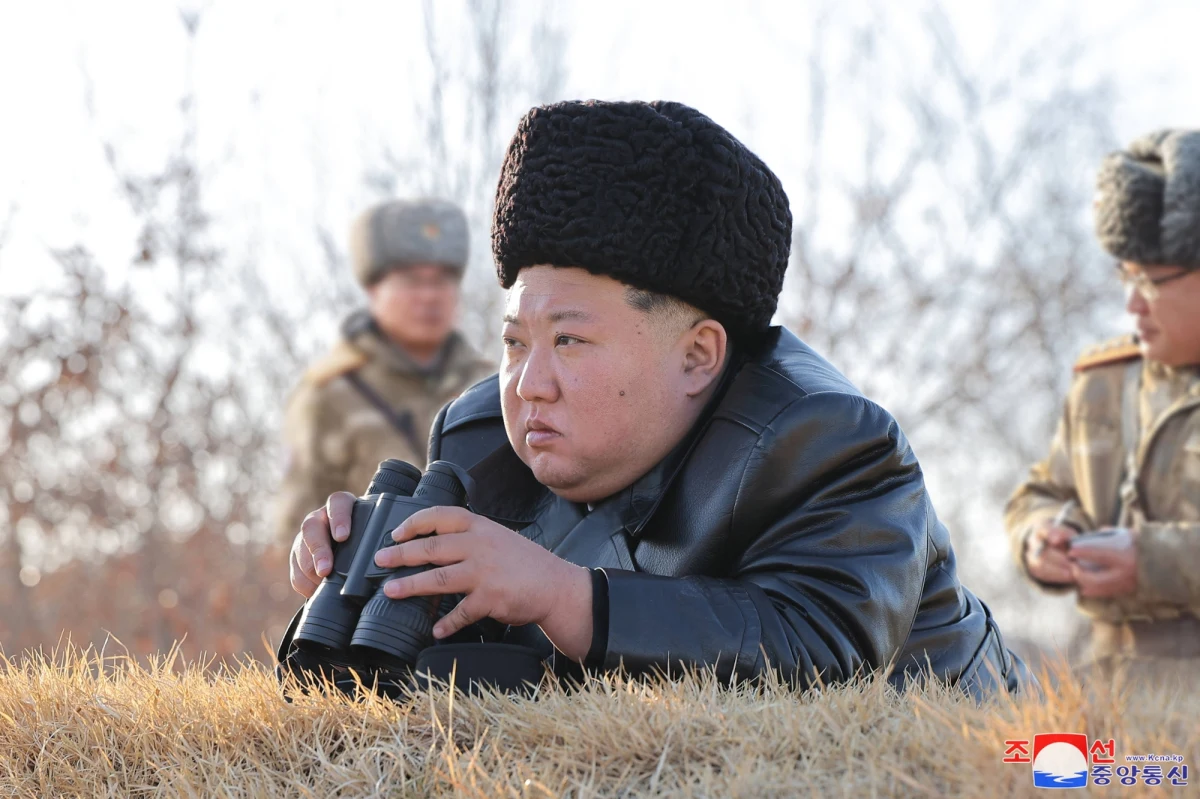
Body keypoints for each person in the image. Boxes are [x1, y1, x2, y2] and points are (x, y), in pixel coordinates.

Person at [286, 100, 1027, 696]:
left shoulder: (821, 437)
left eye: (569, 340)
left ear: (698, 355)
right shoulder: (478, 442)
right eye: (515, 341)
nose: (528, 382)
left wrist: (564, 596)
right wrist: (366, 581)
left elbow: (823, 651)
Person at [1007, 129, 1200, 667]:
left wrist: (1153, 561)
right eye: (1126, 276)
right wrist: (1043, 535)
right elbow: (1042, 492)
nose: (1133, 304)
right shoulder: (1103, 382)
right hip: (1110, 687)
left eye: (1153, 281)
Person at [274, 198, 494, 543]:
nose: (430, 296)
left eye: (442, 281)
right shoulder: (331, 396)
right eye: (412, 281)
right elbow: (299, 532)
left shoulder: (492, 387)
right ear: (374, 291)